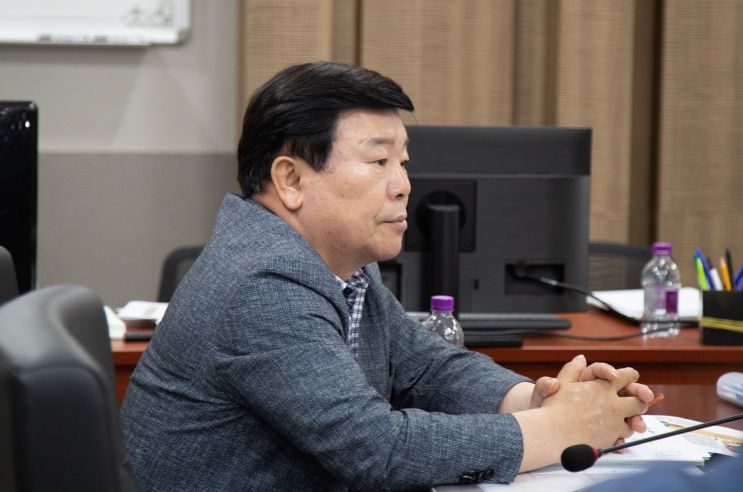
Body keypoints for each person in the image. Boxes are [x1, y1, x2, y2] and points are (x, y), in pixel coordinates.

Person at [121, 61, 654, 491]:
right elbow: (376, 451)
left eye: (403, 163)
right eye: (379, 163)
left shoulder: (339, 265)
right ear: (291, 180)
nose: (403, 185)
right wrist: (557, 429)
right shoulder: (263, 285)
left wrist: (536, 398)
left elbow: (426, 367)